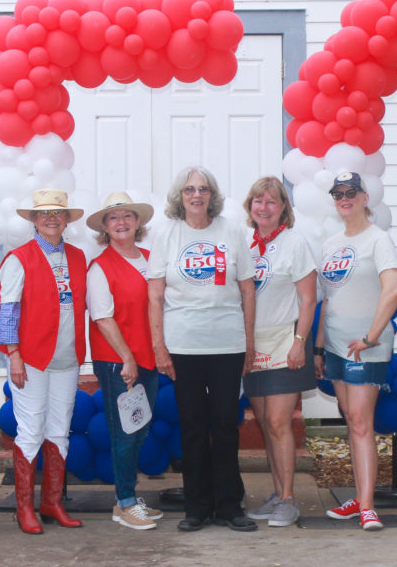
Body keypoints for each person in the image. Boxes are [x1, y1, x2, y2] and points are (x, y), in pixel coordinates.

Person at [148, 166, 257, 533]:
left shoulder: (231, 231)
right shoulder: (166, 235)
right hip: (183, 346)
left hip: (227, 344)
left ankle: (229, 506)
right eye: (190, 189)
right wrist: (159, 346)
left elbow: (246, 290)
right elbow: (156, 295)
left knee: (226, 425)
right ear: (180, 196)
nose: (197, 195)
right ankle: (196, 507)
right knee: (193, 426)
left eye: (204, 189)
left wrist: (249, 341)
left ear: (213, 195)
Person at [314, 171, 397, 532]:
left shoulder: (378, 239)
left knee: (363, 423)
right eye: (338, 193)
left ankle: (367, 507)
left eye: (351, 192)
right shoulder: (330, 244)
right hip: (335, 347)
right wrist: (318, 348)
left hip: (363, 349)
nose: (344, 198)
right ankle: (359, 496)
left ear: (365, 197)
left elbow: (393, 289)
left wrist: (371, 336)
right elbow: (326, 299)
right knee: (352, 420)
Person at [0, 188, 87, 534]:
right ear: (34, 219)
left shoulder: (79, 258)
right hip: (31, 359)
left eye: (58, 213)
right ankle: (24, 508)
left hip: (67, 359)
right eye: (44, 213)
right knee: (31, 429)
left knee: (59, 432)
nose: (52, 218)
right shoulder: (19, 258)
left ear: (66, 219)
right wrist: (14, 356)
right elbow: (8, 312)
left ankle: (52, 502)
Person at [241, 177, 317, 528]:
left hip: (286, 342)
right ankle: (276, 492)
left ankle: (288, 499)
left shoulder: (295, 243)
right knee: (264, 424)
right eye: (258, 201)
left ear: (284, 207)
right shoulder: (244, 243)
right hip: (252, 345)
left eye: (271, 202)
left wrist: (300, 342)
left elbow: (308, 299)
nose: (264, 207)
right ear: (250, 206)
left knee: (277, 421)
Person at [85, 191, 163, 531]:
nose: (121, 222)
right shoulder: (99, 267)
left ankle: (127, 496)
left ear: (138, 222)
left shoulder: (150, 258)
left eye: (127, 216)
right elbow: (103, 318)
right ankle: (125, 504)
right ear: (104, 226)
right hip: (118, 361)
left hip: (149, 356)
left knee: (141, 427)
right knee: (125, 431)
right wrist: (127, 358)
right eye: (114, 218)